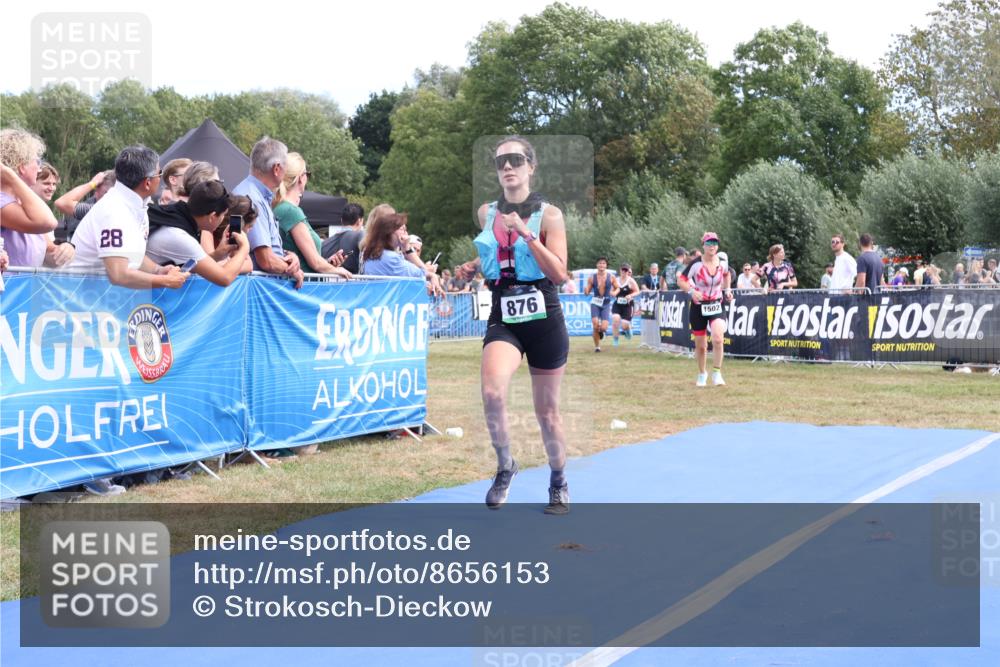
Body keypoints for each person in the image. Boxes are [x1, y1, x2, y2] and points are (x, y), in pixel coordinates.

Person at [471, 136, 571, 515]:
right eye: (500, 163)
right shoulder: (486, 213)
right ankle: (505, 464)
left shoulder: (550, 215)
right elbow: (494, 256)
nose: (507, 167)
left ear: (531, 166)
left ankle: (558, 481)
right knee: (493, 393)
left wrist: (527, 233)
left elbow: (559, 273)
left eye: (515, 160)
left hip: (543, 312)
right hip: (505, 314)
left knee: (547, 411)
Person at [146, 180, 252, 286]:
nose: (223, 219)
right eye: (223, 214)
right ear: (212, 216)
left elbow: (194, 265)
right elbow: (224, 278)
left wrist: (218, 254)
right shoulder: (181, 237)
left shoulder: (175, 213)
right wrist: (244, 248)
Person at [232, 136, 304, 289]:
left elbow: (267, 248)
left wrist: (288, 256)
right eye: (285, 167)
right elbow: (265, 260)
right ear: (277, 169)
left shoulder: (256, 194)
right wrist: (291, 269)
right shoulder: (253, 198)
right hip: (260, 291)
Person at [273, 152, 350, 278]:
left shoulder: (279, 208)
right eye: (307, 174)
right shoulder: (291, 211)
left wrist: (328, 264)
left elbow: (310, 262)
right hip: (302, 289)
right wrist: (339, 271)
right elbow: (315, 262)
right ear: (300, 178)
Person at [678, 232, 733, 387]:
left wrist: (727, 290)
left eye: (715, 243)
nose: (712, 246)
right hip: (698, 307)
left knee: (717, 338)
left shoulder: (722, 262)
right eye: (709, 243)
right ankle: (702, 373)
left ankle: (717, 372)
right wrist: (692, 291)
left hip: (716, 304)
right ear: (703, 245)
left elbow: (727, 274)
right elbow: (681, 280)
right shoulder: (695, 264)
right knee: (701, 347)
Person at [0, 129, 59, 268]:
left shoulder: (19, 203)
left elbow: (49, 249)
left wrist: (70, 247)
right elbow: (48, 222)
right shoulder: (2, 202)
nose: (39, 168)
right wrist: (11, 177)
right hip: (10, 288)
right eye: (37, 161)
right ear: (21, 167)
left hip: (22, 288)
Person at [360, 207, 443, 295]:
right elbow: (421, 273)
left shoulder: (372, 252)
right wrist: (407, 248)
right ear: (390, 232)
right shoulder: (392, 258)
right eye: (402, 229)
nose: (406, 233)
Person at [53, 170, 115, 242]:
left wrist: (92, 183)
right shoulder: (93, 208)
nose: (95, 191)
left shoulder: (100, 210)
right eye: (106, 193)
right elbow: (61, 203)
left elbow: (62, 203)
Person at [321, 202, 365, 274]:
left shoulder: (323, 244)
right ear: (359, 221)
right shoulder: (359, 236)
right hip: (354, 284)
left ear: (341, 220)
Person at [585, 256, 616, 352]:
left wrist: (614, 293)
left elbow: (617, 287)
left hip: (606, 303)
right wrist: (585, 290)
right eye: (600, 263)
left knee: (603, 327)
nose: (601, 265)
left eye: (603, 263)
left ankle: (602, 332)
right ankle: (597, 347)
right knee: (595, 325)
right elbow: (587, 292)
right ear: (597, 265)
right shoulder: (592, 277)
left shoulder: (611, 277)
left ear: (606, 265)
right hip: (595, 303)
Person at [611, 262, 639, 346]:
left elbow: (637, 291)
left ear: (628, 271)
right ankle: (615, 340)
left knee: (624, 325)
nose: (624, 271)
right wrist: (613, 293)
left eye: (626, 270)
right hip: (618, 304)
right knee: (616, 320)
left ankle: (627, 330)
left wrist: (630, 295)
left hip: (627, 305)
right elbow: (611, 290)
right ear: (620, 270)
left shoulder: (630, 280)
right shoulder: (615, 280)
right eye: (623, 270)